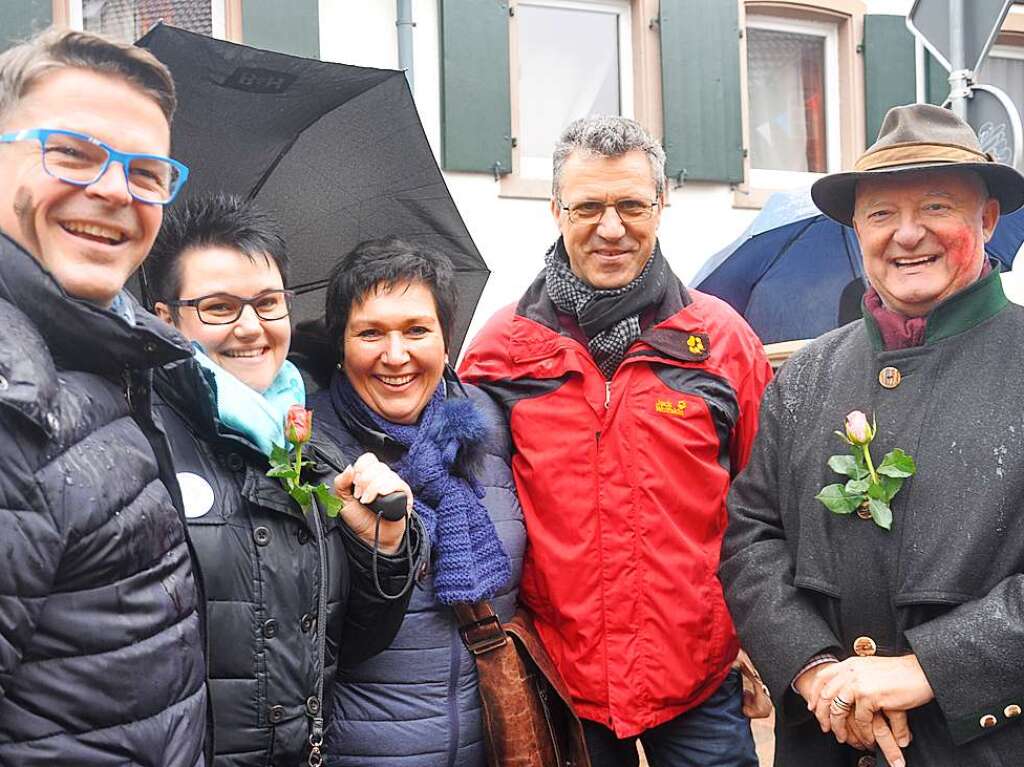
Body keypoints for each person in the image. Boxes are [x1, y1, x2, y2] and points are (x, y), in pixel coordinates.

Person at [459, 116, 772, 766]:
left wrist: (757, 641)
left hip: (699, 676)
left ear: (661, 204)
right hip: (561, 677)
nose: (611, 227)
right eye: (589, 206)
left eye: (631, 204)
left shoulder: (722, 344)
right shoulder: (500, 353)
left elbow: (763, 508)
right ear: (555, 209)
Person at [720, 102, 1024, 767]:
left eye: (938, 207)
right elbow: (750, 538)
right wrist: (816, 672)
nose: (907, 234)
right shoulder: (804, 374)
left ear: (988, 218)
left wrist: (930, 668)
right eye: (881, 214)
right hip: (823, 743)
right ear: (858, 228)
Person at [146, 193, 418, 766]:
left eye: (268, 303)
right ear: (165, 318)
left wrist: (381, 548)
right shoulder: (141, 437)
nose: (252, 328)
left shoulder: (308, 447)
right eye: (219, 307)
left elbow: (349, 645)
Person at [0, 28, 207, 765]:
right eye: (73, 154)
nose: (116, 190)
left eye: (147, 173)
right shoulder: (14, 394)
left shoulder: (109, 355)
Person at [300, 237, 526, 766]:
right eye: (370, 332)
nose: (395, 355)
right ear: (341, 344)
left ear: (447, 340)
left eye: (417, 330)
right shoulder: (305, 446)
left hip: (492, 743)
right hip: (357, 752)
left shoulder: (491, 426)